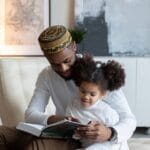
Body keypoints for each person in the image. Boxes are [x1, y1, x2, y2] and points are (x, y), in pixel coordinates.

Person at [0, 25, 136, 150]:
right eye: (55, 64)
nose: (63, 69)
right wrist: (56, 120)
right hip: (60, 132)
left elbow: (128, 119)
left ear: (74, 47)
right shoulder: (47, 75)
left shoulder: (98, 74)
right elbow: (30, 114)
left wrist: (109, 133)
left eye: (67, 61)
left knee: (37, 146)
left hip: (87, 140)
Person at [66, 54, 125, 150]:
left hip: (108, 146)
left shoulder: (107, 112)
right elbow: (72, 133)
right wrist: (76, 132)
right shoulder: (72, 106)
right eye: (82, 91)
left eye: (92, 94)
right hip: (86, 146)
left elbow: (117, 139)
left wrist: (106, 131)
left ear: (102, 94)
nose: (86, 96)